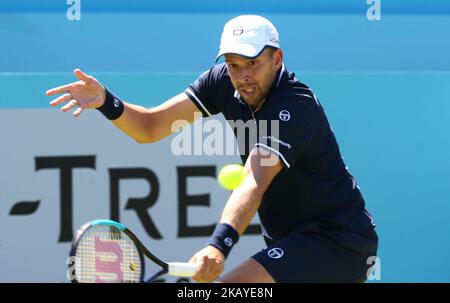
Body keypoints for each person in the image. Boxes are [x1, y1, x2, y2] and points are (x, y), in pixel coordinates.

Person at [46, 15, 378, 283]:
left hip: (338, 240)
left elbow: (253, 181)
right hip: (289, 243)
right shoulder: (221, 82)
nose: (243, 75)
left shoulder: (295, 105)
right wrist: (107, 101)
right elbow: (150, 127)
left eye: (252, 63)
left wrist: (218, 246)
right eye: (234, 65)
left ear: (277, 59)